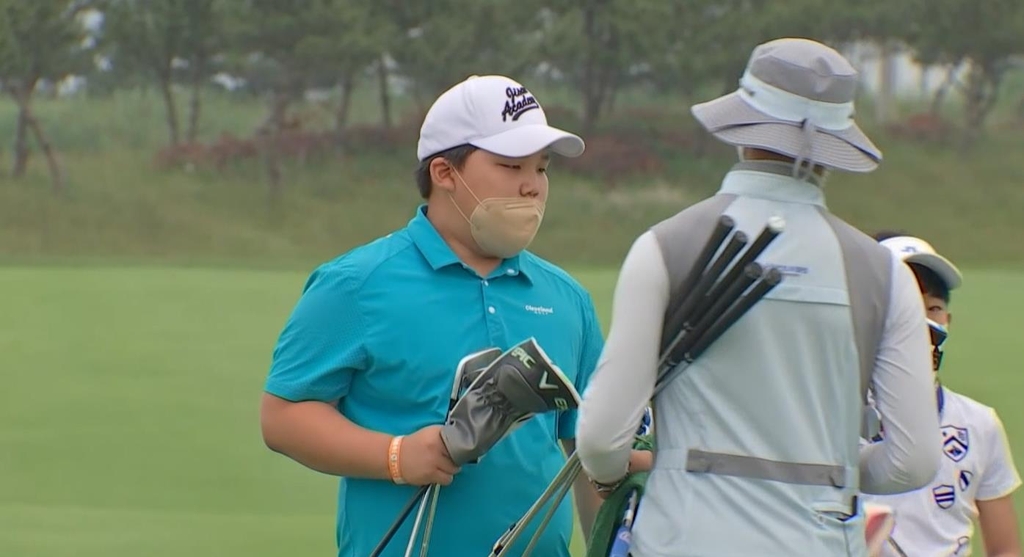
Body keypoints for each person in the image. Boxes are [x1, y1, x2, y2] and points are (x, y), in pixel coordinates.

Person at [574, 37, 943, 556]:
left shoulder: (664, 246)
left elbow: (600, 443)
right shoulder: (883, 272)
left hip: (683, 539)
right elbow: (914, 460)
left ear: (745, 127)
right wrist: (823, 466)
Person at [260, 74, 617, 556]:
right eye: (511, 165)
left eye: (542, 167)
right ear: (446, 172)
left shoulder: (566, 298)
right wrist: (397, 456)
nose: (532, 186)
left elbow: (589, 454)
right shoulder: (356, 284)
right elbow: (283, 417)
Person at [862, 232, 1022, 557]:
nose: (919, 323)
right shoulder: (830, 420)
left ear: (947, 320)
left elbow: (1005, 548)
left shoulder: (979, 424)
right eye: (904, 305)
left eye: (933, 307)